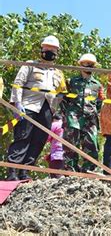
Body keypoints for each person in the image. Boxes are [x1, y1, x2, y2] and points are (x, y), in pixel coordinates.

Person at [6, 35, 66, 181]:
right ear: (42, 49)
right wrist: (17, 104)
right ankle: (13, 171)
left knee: (39, 139)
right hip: (28, 106)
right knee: (22, 137)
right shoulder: (30, 65)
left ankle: (26, 170)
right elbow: (18, 84)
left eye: (53, 49)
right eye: (47, 48)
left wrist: (58, 108)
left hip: (47, 109)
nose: (49, 51)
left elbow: (62, 93)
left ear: (57, 52)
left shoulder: (58, 72)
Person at [61, 53, 104, 172]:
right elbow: (64, 100)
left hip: (90, 118)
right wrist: (68, 114)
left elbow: (99, 103)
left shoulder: (97, 85)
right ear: (81, 65)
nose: (89, 66)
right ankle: (70, 170)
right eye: (86, 63)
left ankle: (88, 170)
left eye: (91, 64)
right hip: (73, 117)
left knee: (92, 144)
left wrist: (93, 112)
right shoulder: (71, 81)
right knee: (71, 144)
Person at [46, 114, 65, 178]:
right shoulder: (66, 125)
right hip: (66, 155)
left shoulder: (55, 124)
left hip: (57, 154)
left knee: (56, 177)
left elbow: (47, 137)